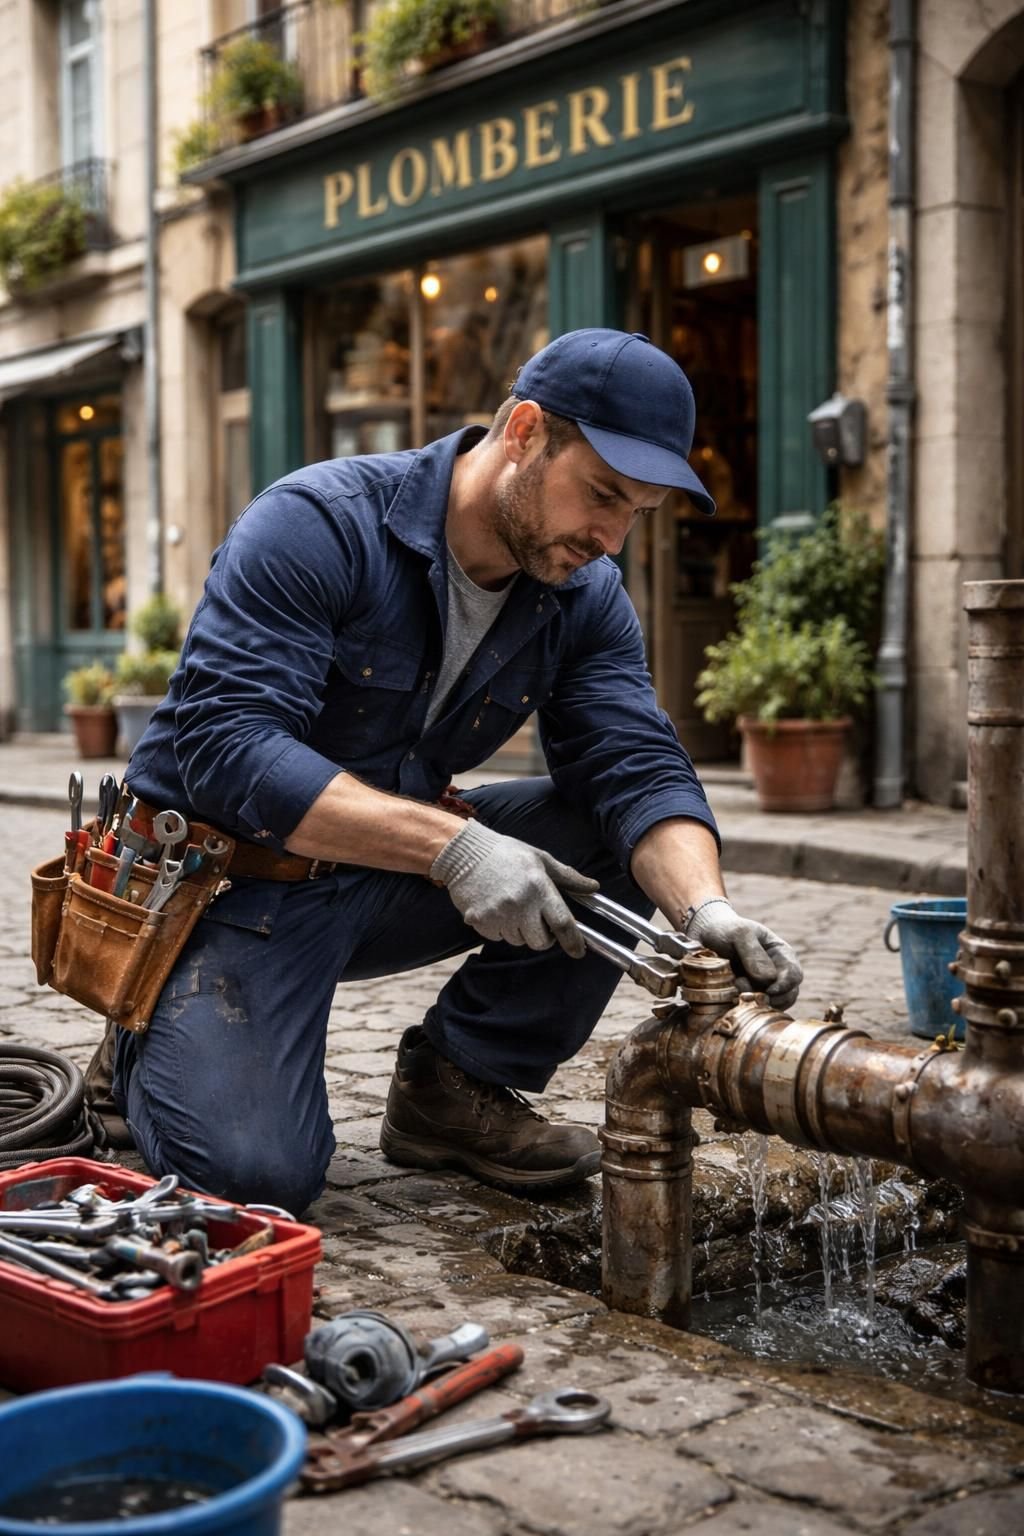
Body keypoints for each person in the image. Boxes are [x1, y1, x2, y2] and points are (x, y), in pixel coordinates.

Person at [112, 329, 802, 1215]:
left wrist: (705, 909)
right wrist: (458, 849)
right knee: (258, 1180)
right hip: (224, 889)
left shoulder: (580, 595)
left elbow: (632, 760)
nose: (611, 538)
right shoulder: (318, 523)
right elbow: (226, 746)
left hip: (375, 874)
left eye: (637, 512)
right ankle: (136, 1033)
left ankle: (454, 1087)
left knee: (609, 834)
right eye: (600, 495)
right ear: (522, 432)